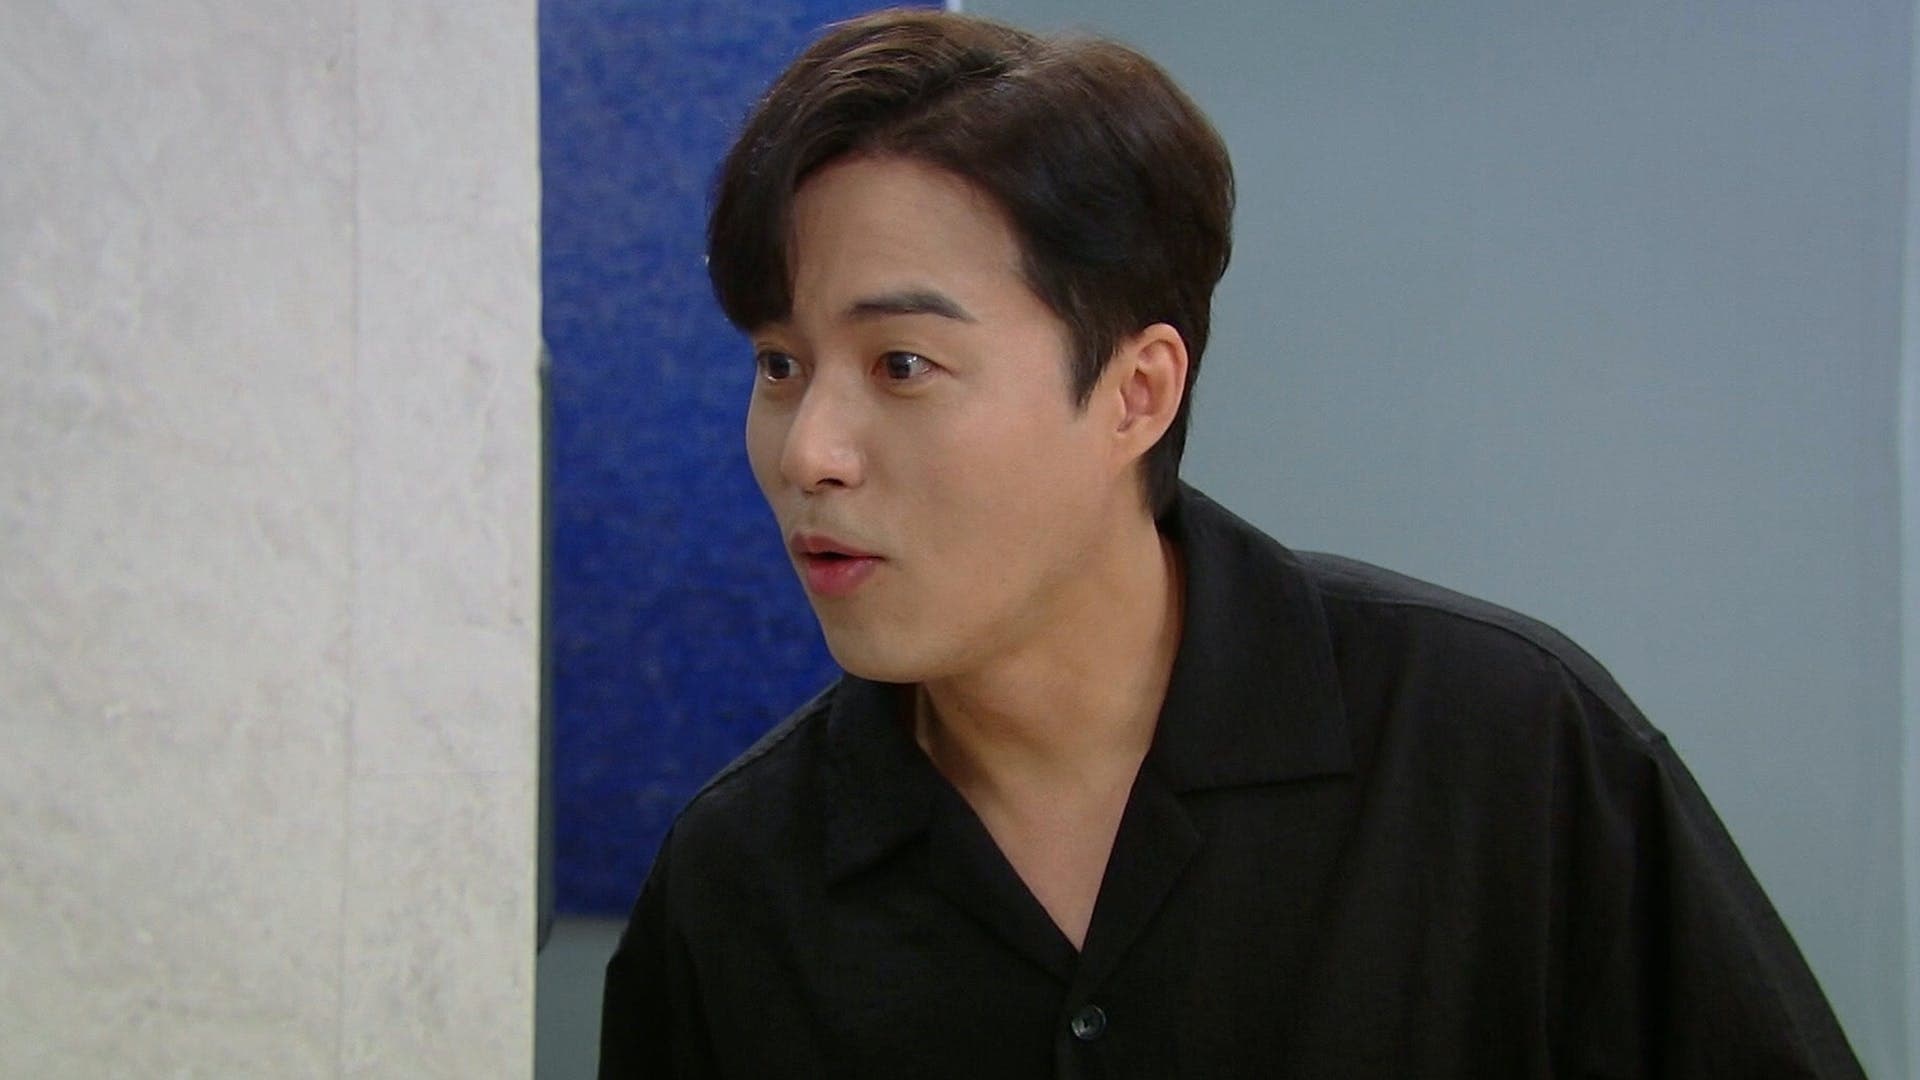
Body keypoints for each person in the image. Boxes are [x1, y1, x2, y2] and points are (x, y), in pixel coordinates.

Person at [599, 9, 1863, 1077]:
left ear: (1137, 393)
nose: (810, 450)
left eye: (903, 365)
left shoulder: (1506, 751)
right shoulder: (734, 884)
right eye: (780, 365)